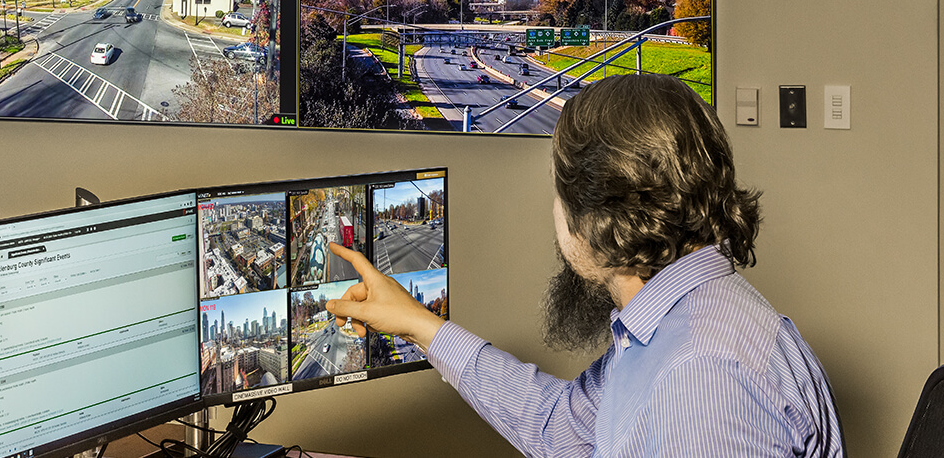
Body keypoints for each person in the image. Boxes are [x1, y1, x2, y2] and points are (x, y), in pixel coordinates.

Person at [326, 74, 844, 457]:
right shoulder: (678, 324)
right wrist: (418, 323)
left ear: (595, 218)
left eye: (559, 191)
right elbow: (561, 428)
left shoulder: (698, 381)